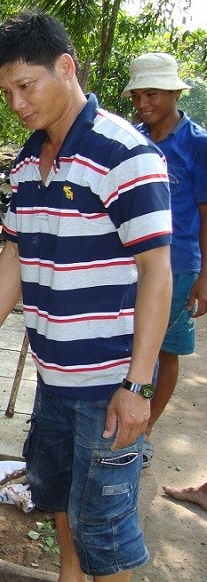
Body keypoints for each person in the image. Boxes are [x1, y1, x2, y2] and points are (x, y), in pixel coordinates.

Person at [0, 12, 172, 581]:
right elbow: (14, 256)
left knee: (106, 531)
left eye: (26, 85)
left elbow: (156, 270)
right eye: (6, 92)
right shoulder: (27, 164)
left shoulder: (126, 154)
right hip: (54, 379)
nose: (17, 102)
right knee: (60, 503)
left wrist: (138, 386)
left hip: (107, 385)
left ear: (66, 68)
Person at [121, 52, 207, 467]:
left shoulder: (198, 144)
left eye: (151, 94)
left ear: (174, 92)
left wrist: (205, 276)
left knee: (164, 351)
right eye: (137, 95)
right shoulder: (133, 139)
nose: (143, 103)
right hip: (132, 262)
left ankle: (147, 429)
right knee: (131, 344)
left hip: (179, 263)